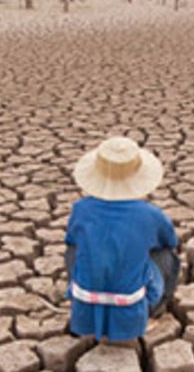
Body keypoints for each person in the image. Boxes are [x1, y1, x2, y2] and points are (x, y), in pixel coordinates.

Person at [65, 136, 180, 343]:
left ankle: (79, 302)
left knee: (74, 248)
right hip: (131, 309)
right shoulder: (149, 215)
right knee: (165, 256)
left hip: (85, 306)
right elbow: (170, 241)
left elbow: (71, 239)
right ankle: (153, 311)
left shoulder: (80, 209)